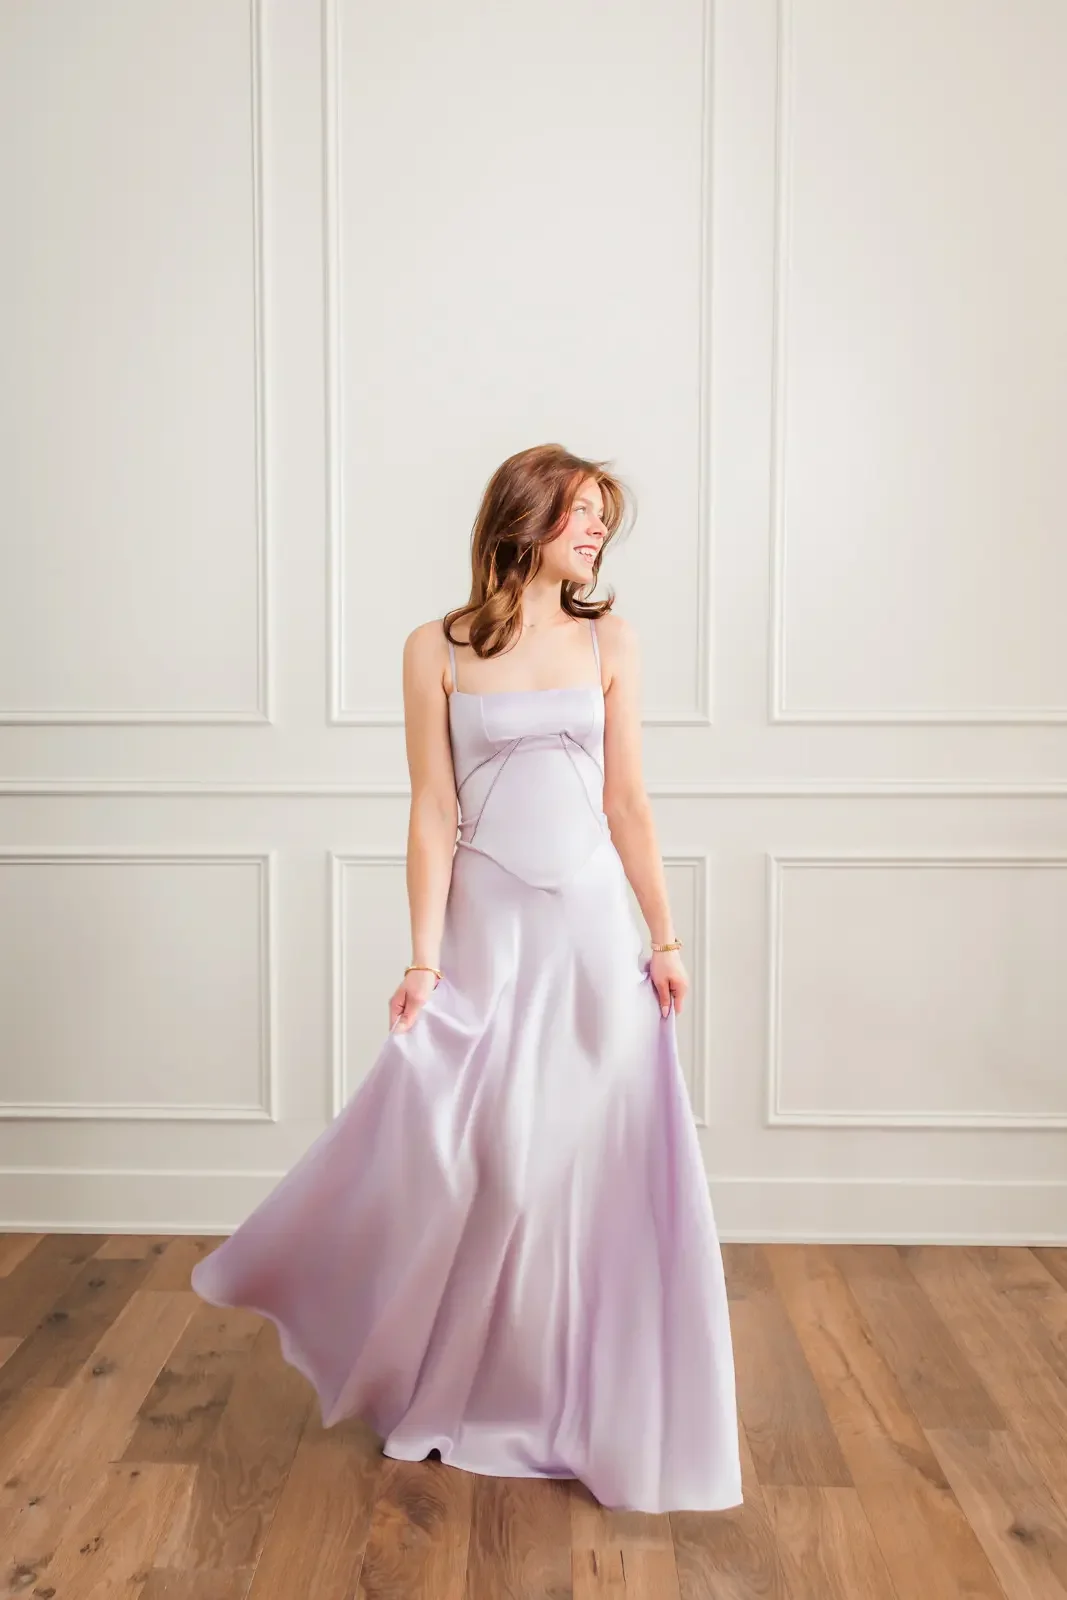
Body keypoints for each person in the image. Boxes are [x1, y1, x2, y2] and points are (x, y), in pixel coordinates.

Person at [191, 442, 743, 1515]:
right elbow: (431, 812)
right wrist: (422, 957)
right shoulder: (431, 648)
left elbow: (626, 803)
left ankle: (591, 1403)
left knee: (597, 1165)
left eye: (600, 520)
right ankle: (462, 1385)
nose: (594, 534)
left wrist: (663, 937)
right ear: (523, 518)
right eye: (579, 514)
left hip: (589, 931)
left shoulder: (611, 641)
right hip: (490, 933)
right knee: (495, 1167)